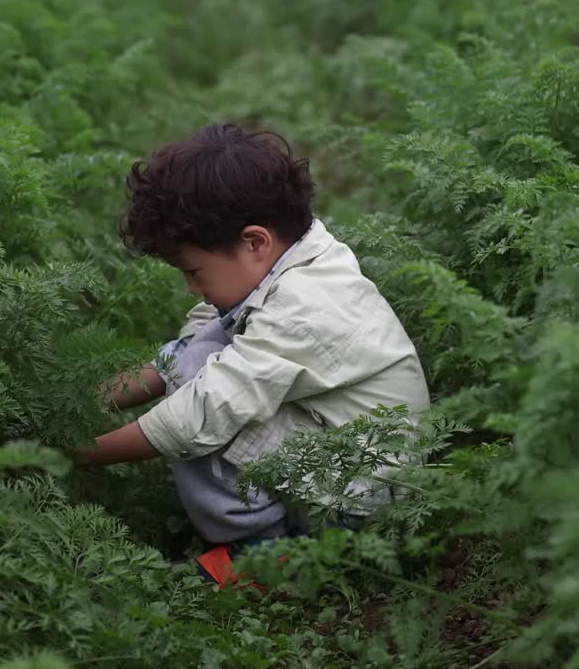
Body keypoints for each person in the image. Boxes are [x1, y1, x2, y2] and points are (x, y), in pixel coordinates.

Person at [75, 124, 430, 586]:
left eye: (195, 271)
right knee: (201, 355)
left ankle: (270, 553)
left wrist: (71, 453)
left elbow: (196, 415)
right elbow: (190, 349)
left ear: (256, 242)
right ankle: (273, 536)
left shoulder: (303, 305)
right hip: (346, 464)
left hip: (368, 507)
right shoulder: (294, 261)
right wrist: (84, 403)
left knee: (204, 405)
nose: (191, 287)